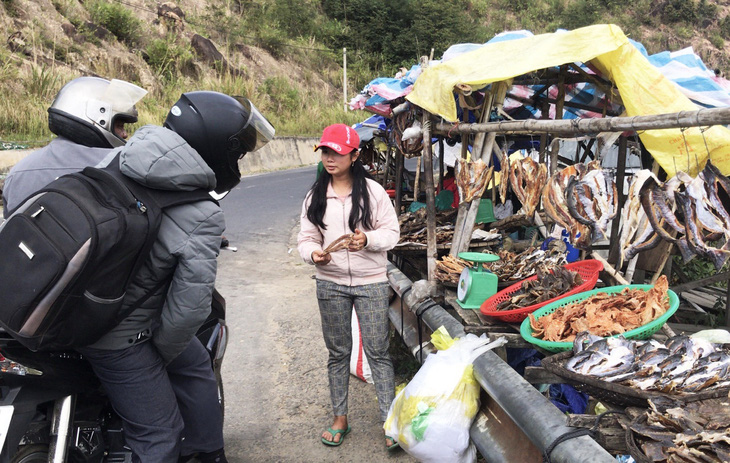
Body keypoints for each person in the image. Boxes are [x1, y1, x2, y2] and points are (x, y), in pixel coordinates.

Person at [74, 91, 274, 463]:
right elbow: (188, 312)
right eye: (238, 152)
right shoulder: (201, 211)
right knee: (160, 432)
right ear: (216, 147)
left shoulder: (117, 157)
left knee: (194, 362)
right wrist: (158, 358)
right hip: (116, 334)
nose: (238, 161)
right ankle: (204, 452)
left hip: (70, 303)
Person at [297, 123, 401, 450]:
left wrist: (367, 239)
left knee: (378, 352)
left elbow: (392, 233)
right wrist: (313, 254)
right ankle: (340, 417)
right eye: (326, 151)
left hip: (371, 283)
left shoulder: (373, 193)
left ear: (354, 155)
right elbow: (306, 237)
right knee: (338, 352)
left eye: (338, 152)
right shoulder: (316, 195)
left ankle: (389, 419)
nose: (330, 158)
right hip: (330, 284)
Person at [2, 76, 147, 216]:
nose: (125, 134)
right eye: (120, 126)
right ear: (97, 118)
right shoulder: (121, 168)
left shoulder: (19, 172)